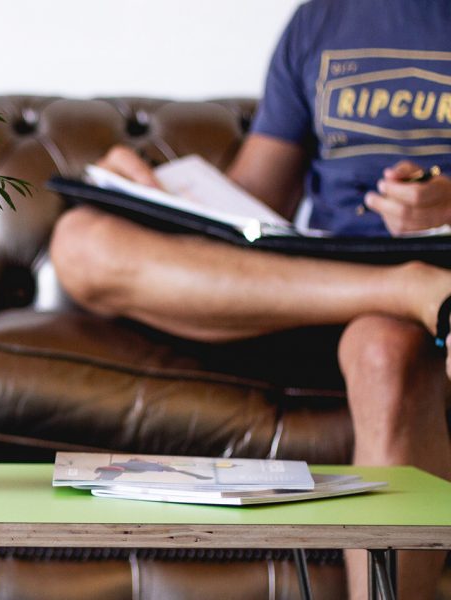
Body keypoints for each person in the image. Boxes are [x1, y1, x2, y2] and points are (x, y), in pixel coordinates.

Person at [48, 1, 451, 597]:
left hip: (405, 313)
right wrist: (155, 196)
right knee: (79, 241)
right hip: (313, 282)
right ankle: (414, 289)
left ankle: (416, 292)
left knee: (382, 349)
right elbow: (253, 204)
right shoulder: (323, 19)